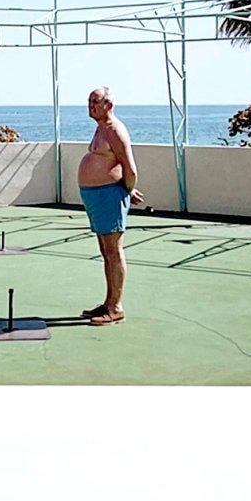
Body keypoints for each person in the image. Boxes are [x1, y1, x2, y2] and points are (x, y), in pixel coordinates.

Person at [77, 87, 144, 325]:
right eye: (89, 101)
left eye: (95, 101)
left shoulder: (115, 130)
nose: (90, 105)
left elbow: (130, 167)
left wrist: (127, 189)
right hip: (98, 196)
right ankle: (108, 302)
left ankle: (116, 307)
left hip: (108, 197)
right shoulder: (101, 128)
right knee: (106, 252)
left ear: (108, 105)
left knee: (114, 251)